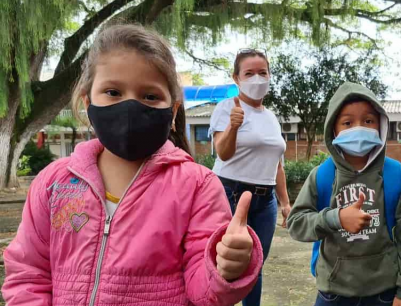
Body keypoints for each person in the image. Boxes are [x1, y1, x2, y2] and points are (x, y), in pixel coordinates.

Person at [1, 24, 263, 305]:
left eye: (150, 96)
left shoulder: (198, 186)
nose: (130, 107)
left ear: (172, 111)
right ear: (88, 103)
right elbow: (28, 274)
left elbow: (205, 292)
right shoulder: (54, 182)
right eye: (113, 92)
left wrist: (226, 267)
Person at [288, 83, 401, 306]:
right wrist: (336, 218)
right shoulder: (321, 176)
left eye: (368, 120)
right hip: (332, 291)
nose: (359, 128)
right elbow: (296, 223)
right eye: (348, 122)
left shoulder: (397, 175)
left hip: (384, 292)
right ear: (334, 129)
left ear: (380, 125)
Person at [209, 48, 290, 306]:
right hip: (230, 192)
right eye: (249, 73)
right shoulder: (226, 108)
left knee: (255, 266)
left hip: (265, 201)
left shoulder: (271, 118)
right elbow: (223, 152)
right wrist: (233, 125)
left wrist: (285, 203)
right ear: (237, 78)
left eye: (262, 73)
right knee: (227, 265)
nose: (257, 79)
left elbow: (277, 165)